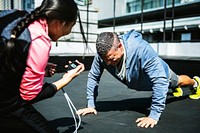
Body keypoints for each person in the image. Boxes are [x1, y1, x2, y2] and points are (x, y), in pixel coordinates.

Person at [77, 30, 200, 128]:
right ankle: (174, 87)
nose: (108, 63)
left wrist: (154, 115)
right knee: (169, 85)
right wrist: (91, 104)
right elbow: (93, 77)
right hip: (143, 82)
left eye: (111, 58)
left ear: (120, 47)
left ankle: (195, 83)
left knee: (179, 81)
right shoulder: (102, 56)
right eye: (105, 59)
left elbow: (160, 80)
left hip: (162, 75)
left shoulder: (141, 49)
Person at [0, 0, 85, 132]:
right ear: (59, 23)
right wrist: (65, 80)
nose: (69, 32)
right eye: (71, 26)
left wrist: (34, 67)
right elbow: (29, 96)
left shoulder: (16, 16)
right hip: (6, 104)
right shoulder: (40, 42)